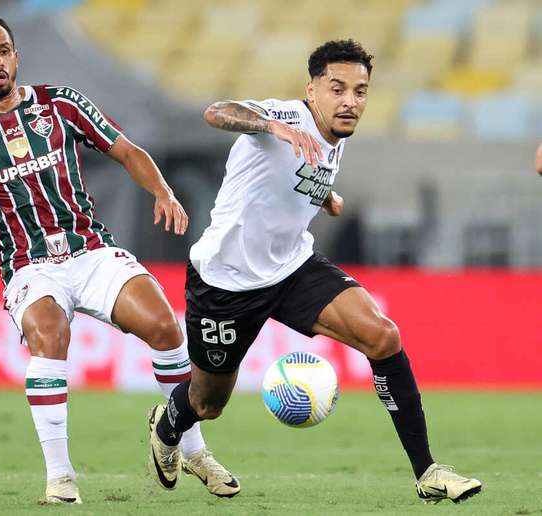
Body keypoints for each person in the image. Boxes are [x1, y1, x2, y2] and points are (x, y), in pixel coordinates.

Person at [0, 13, 238, 504]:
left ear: (15, 53)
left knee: (164, 325)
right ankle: (61, 479)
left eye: (4, 50)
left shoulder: (59, 104)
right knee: (50, 336)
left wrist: (162, 191)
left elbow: (126, 150)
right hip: (30, 267)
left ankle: (191, 447)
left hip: (90, 251)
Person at [147, 39, 482, 505]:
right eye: (337, 88)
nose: (350, 101)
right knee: (207, 403)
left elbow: (295, 175)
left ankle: (427, 472)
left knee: (382, 336)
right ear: (312, 90)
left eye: (360, 91)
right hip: (227, 281)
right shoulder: (285, 117)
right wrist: (272, 127)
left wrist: (326, 196)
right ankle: (167, 426)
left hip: (292, 268)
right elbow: (216, 112)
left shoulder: (335, 136)